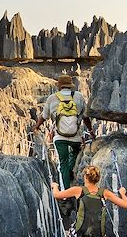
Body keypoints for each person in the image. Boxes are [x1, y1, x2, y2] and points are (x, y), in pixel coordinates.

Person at [31, 74, 94, 225]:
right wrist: (91, 131)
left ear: (59, 86)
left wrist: (36, 126)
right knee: (75, 161)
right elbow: (85, 116)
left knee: (63, 164)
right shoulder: (78, 96)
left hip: (60, 138)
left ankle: (66, 195)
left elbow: (44, 116)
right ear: (71, 86)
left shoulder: (53, 98)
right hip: (76, 137)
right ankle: (74, 183)